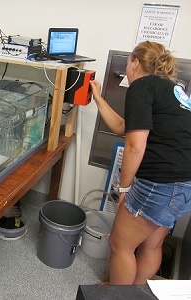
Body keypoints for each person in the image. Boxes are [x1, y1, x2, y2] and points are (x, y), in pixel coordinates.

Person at [90, 40, 191, 285]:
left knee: (120, 245)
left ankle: (119, 297)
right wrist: (98, 97)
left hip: (160, 183)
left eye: (128, 64)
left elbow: (135, 145)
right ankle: (136, 293)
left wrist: (123, 189)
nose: (127, 70)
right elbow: (124, 127)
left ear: (135, 63)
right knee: (152, 244)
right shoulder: (173, 91)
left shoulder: (141, 86)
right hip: (185, 183)